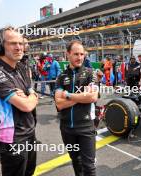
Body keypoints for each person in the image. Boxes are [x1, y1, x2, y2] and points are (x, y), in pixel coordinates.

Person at [0, 26, 39, 176]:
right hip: (12, 139)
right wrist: (31, 97)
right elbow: (26, 105)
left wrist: (30, 94)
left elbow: (30, 89)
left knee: (29, 172)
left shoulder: (20, 67)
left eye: (20, 43)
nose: (19, 47)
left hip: (30, 132)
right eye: (13, 43)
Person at [55, 40, 98, 176]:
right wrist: (80, 97)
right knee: (76, 162)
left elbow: (92, 98)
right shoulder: (61, 76)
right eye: (76, 54)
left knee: (89, 167)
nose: (79, 57)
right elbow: (59, 103)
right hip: (67, 128)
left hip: (86, 128)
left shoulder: (91, 73)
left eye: (82, 54)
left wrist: (67, 94)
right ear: (68, 54)